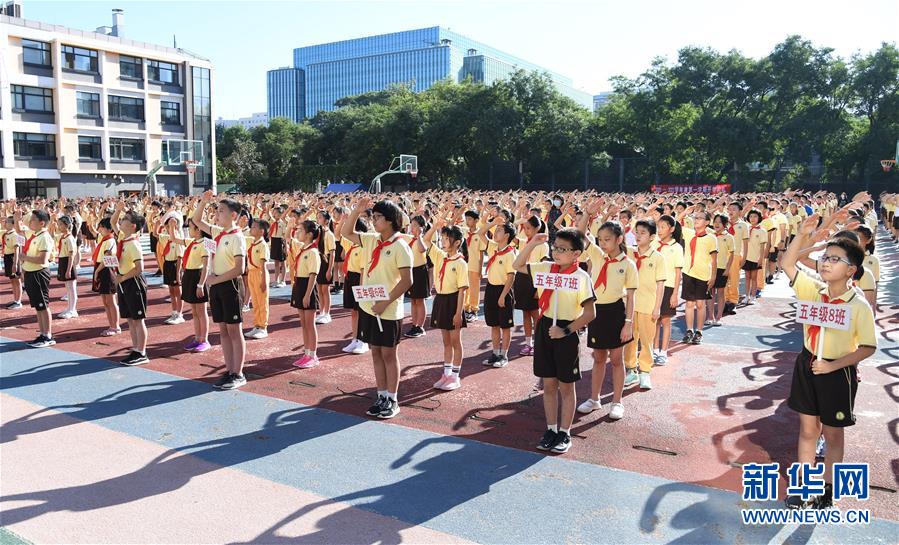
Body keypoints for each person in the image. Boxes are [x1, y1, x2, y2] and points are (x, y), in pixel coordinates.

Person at [781, 214, 877, 509]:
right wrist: (803, 234)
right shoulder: (813, 290)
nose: (825, 263)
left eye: (835, 259)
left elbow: (868, 347)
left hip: (838, 372)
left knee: (833, 433)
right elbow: (787, 264)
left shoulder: (858, 305)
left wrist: (833, 366)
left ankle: (828, 487)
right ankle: (801, 487)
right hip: (808, 364)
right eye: (825, 258)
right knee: (808, 430)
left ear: (852, 270)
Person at [514, 228, 595, 454]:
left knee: (566, 385)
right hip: (545, 327)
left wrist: (566, 331)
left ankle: (565, 432)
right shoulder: (546, 269)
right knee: (548, 384)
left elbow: (590, 313)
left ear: (576, 253)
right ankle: (550, 429)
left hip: (566, 333)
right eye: (555, 247)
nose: (557, 252)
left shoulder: (581, 277)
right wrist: (531, 244)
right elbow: (518, 266)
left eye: (563, 249)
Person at [340, 196, 413, 419]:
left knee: (389, 354)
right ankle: (381, 395)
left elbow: (406, 281)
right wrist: (357, 210)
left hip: (388, 309)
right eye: (372, 216)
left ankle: (393, 398)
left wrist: (386, 301)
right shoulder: (372, 240)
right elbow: (346, 233)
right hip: (370, 307)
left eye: (378, 217)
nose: (374, 220)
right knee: (375, 352)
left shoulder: (400, 246)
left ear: (390, 220)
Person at [576, 217, 636, 419]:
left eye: (607, 239)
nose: (602, 243)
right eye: (600, 239)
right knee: (598, 357)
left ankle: (617, 402)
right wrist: (587, 213)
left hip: (616, 313)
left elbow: (631, 298)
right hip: (597, 312)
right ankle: (594, 399)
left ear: (619, 239)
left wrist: (628, 324)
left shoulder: (627, 264)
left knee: (617, 359)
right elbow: (580, 233)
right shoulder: (597, 255)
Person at [192, 191, 249, 390]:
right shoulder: (218, 232)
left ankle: (238, 373)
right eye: (217, 210)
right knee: (223, 330)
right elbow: (196, 220)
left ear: (233, 215)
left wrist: (215, 279)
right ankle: (229, 369)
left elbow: (239, 269)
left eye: (222, 211)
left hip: (229, 285)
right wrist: (204, 201)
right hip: (216, 285)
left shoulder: (237, 237)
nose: (218, 213)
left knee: (234, 329)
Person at [417, 218, 468, 390]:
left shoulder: (461, 263)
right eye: (443, 238)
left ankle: (455, 375)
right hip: (441, 299)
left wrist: (458, 313)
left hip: (454, 301)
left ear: (457, 242)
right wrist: (435, 227)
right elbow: (426, 241)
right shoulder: (440, 256)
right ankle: (446, 374)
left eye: (447, 239)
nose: (444, 241)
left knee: (455, 341)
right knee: (446, 341)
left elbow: (462, 290)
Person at [623, 219, 666, 390]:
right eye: (637, 232)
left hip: (648, 305)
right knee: (629, 339)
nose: (639, 235)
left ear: (652, 237)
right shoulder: (630, 253)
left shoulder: (658, 258)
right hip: (630, 306)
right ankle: (631, 369)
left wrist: (657, 307)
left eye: (643, 233)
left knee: (647, 340)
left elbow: (661, 283)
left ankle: (645, 371)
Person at [110, 202, 150, 365]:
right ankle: (135, 349)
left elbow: (140, 268)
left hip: (133, 282)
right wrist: (119, 209)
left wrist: (122, 277)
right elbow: (113, 222)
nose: (121, 220)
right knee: (130, 319)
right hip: (124, 281)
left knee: (138, 319)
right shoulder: (122, 238)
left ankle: (142, 352)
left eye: (125, 219)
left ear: (133, 226)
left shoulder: (133, 244)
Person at [478, 215, 517, 368]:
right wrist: (493, 223)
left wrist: (503, 295)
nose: (496, 232)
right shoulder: (494, 247)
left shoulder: (510, 253)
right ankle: (495, 353)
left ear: (507, 236)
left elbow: (510, 277)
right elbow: (481, 233)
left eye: (499, 230)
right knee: (494, 324)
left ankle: (504, 355)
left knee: (505, 326)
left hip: (503, 291)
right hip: (491, 288)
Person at [14, 209, 55, 347]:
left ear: (41, 223)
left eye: (33, 220)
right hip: (31, 273)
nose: (30, 222)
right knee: (38, 306)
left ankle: (48, 335)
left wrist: (25, 258)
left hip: (39, 273)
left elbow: (43, 259)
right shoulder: (35, 234)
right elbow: (20, 229)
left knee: (43, 305)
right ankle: (42, 333)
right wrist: (17, 217)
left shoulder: (44, 237)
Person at [513, 215, 549, 357]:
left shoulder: (543, 245)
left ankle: (540, 343)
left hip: (534, 280)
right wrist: (519, 222)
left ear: (537, 229)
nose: (526, 231)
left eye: (529, 228)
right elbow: (511, 236)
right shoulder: (524, 242)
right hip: (522, 279)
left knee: (536, 315)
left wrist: (538, 288)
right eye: (525, 228)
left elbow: (544, 266)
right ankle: (529, 343)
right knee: (525, 314)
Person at [680, 211, 718, 345]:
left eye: (700, 218)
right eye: (695, 218)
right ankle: (689, 330)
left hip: (703, 275)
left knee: (700, 304)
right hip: (688, 273)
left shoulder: (711, 238)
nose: (696, 220)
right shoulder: (689, 233)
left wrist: (713, 276)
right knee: (689, 303)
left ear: (707, 222)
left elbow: (714, 260)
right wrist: (685, 213)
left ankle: (699, 331)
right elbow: (677, 223)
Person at [290, 219, 322, 368]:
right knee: (303, 323)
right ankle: (306, 352)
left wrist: (307, 294)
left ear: (309, 234)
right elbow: (288, 237)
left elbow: (313, 275)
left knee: (310, 323)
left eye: (300, 230)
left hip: (307, 287)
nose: (298, 232)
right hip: (299, 285)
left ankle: (313, 355)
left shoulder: (313, 252)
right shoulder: (303, 249)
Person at [652, 215, 683, 366]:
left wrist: (675, 294)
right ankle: (654, 349)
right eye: (658, 226)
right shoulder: (653, 244)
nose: (659, 230)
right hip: (653, 287)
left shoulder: (676, 247)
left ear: (671, 229)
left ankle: (663, 352)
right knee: (654, 320)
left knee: (665, 320)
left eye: (663, 227)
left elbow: (678, 273)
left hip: (668, 287)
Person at [180, 219, 211, 352]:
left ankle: (204, 340)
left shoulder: (205, 243)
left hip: (198, 277)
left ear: (198, 230)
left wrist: (201, 285)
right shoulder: (192, 242)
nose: (189, 229)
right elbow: (175, 239)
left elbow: (206, 266)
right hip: (189, 276)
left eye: (191, 227)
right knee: (194, 311)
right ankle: (197, 338)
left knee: (201, 311)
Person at [341, 217, 370, 355]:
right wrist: (344, 220)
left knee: (362, 311)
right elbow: (339, 234)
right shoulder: (351, 245)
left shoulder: (365, 247)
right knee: (353, 311)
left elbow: (364, 268)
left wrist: (362, 286)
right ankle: (354, 339)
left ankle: (363, 341)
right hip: (350, 277)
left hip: (360, 279)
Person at [92, 217, 121, 336]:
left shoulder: (110, 241)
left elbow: (108, 258)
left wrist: (97, 271)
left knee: (111, 299)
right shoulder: (103, 239)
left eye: (102, 227)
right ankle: (111, 325)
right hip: (100, 267)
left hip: (106, 270)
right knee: (105, 300)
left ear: (109, 229)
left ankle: (115, 326)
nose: (100, 229)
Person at [403, 215, 431, 338]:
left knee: (420, 300)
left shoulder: (423, 239)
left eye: (415, 226)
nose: (412, 228)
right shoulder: (408, 238)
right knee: (413, 300)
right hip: (411, 271)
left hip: (420, 271)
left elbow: (422, 249)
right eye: (411, 225)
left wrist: (419, 235)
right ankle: (414, 325)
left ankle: (420, 326)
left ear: (421, 227)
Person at [244, 218, 271, 340]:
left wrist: (264, 281)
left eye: (254, 227)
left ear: (261, 231)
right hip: (251, 273)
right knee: (255, 301)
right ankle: (257, 325)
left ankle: (263, 327)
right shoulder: (252, 242)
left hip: (260, 274)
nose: (251, 228)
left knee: (262, 302)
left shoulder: (263, 245)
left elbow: (263, 266)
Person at [158, 215, 186, 325]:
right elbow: (156, 234)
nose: (169, 227)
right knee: (171, 290)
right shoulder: (166, 237)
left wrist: (178, 272)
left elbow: (180, 257)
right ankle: (174, 312)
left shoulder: (178, 238)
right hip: (167, 264)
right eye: (168, 225)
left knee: (178, 291)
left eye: (172, 225)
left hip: (175, 265)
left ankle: (180, 314)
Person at [709, 214, 734, 325]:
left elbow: (732, 254)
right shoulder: (709, 235)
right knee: (710, 293)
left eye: (719, 222)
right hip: (710, 269)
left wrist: (727, 269)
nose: (717, 224)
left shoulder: (729, 237)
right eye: (715, 221)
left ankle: (719, 317)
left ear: (725, 224)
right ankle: (710, 316)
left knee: (720, 293)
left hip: (721, 268)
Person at [724, 202, 749, 316]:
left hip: (736, 255)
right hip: (723, 255)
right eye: (729, 208)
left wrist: (744, 257)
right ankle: (724, 301)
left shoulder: (743, 225)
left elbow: (745, 242)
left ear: (739, 212)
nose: (731, 211)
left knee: (734, 279)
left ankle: (733, 302)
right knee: (723, 280)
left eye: (734, 209)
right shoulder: (724, 223)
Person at [461, 209, 484, 322]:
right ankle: (466, 308)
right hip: (465, 265)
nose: (467, 221)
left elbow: (481, 253)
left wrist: (480, 269)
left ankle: (474, 310)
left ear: (476, 221)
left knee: (474, 289)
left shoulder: (479, 234)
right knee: (465, 287)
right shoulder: (464, 232)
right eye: (466, 219)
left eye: (470, 219)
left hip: (475, 265)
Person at [314, 210, 336, 325]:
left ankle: (327, 313)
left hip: (326, 261)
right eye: (317, 217)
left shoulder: (329, 234)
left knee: (325, 289)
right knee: (319, 289)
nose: (318, 219)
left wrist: (329, 269)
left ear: (326, 221)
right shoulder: (319, 233)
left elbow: (332, 253)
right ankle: (321, 312)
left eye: (320, 218)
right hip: (319, 261)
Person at [742, 209, 768, 306]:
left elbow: (762, 247)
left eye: (755, 216)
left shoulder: (762, 231)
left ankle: (753, 296)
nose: (752, 219)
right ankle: (746, 296)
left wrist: (760, 259)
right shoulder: (746, 228)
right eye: (751, 216)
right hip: (746, 257)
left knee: (754, 277)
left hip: (755, 258)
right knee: (747, 277)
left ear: (759, 218)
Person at [55, 215, 79, 319]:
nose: (59, 226)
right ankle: (69, 308)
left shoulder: (69, 238)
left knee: (71, 287)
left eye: (60, 224)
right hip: (63, 260)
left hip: (68, 262)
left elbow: (72, 254)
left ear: (67, 225)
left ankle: (73, 309)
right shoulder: (63, 237)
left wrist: (69, 269)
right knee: (68, 287)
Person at [3, 216, 23, 309]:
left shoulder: (15, 235)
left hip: (13, 258)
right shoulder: (7, 234)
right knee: (12, 280)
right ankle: (15, 300)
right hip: (7, 257)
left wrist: (15, 263)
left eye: (7, 222)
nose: (5, 223)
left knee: (17, 280)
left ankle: (18, 301)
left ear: (13, 224)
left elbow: (17, 250)